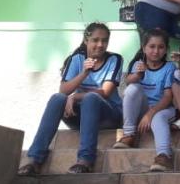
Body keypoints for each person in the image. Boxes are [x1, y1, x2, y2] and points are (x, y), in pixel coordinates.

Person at [18, 22, 123, 176]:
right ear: (86, 40)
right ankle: (34, 160)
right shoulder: (77, 59)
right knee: (57, 98)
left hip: (109, 116)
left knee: (91, 98)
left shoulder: (115, 59)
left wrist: (75, 97)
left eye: (104, 40)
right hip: (82, 117)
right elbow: (64, 90)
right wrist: (84, 74)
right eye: (95, 40)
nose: (100, 45)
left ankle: (85, 160)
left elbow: (105, 92)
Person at [113, 29, 177, 172]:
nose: (156, 51)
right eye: (152, 46)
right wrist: (138, 75)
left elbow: (168, 96)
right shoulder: (138, 64)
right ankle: (129, 134)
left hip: (163, 109)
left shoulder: (169, 67)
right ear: (144, 48)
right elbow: (128, 83)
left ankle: (164, 155)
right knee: (132, 89)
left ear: (166, 49)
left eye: (161, 47)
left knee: (158, 118)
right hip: (142, 108)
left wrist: (150, 114)